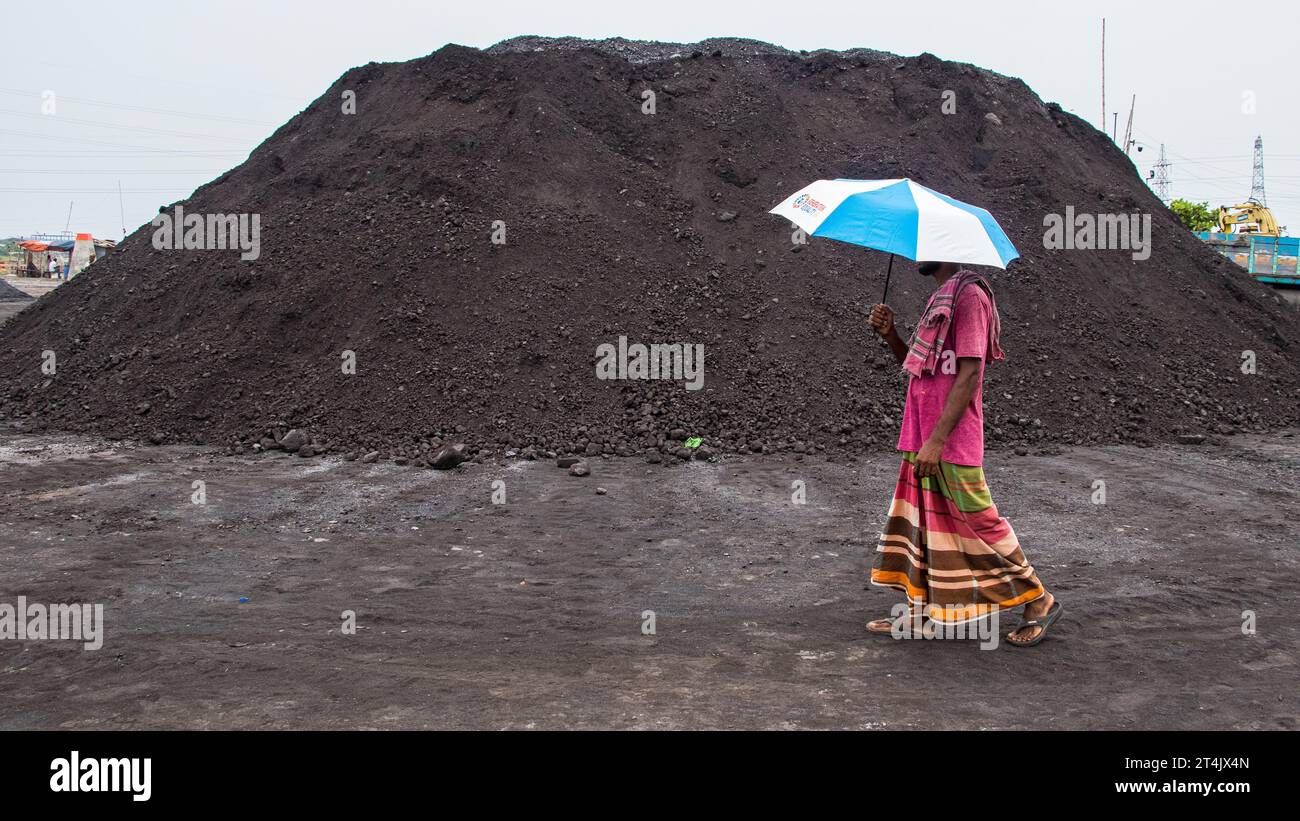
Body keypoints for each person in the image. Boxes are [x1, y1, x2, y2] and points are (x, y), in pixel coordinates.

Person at [866, 261, 1061, 647]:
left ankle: (1040, 600)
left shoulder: (969, 297)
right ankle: (921, 612)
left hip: (949, 439)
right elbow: (924, 368)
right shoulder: (941, 298)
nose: (918, 254)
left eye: (927, 245)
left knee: (979, 522)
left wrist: (937, 441)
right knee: (923, 524)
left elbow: (970, 374)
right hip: (921, 433)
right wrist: (892, 336)